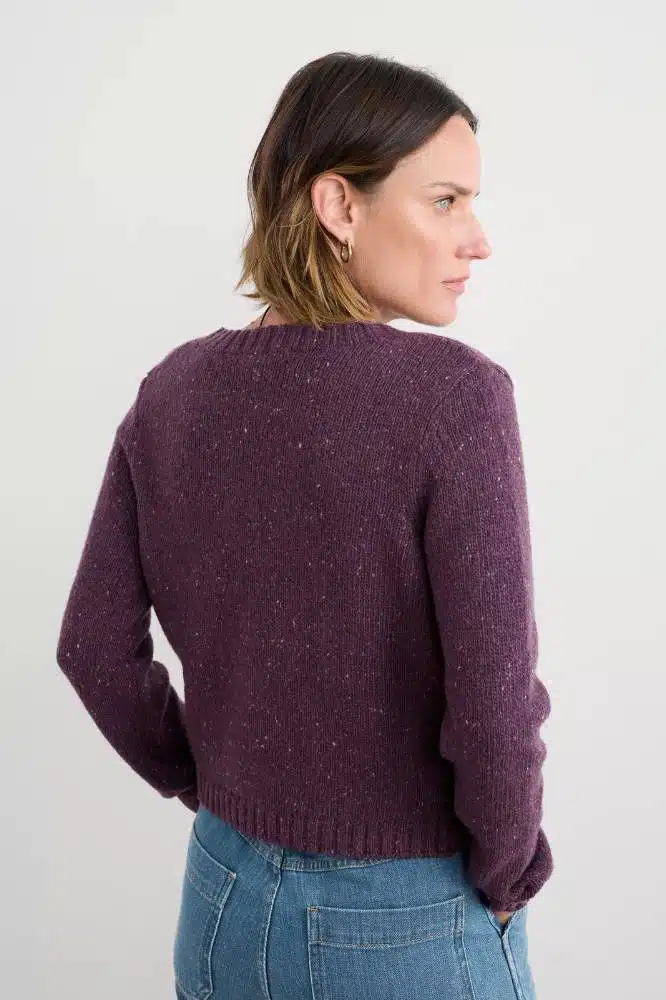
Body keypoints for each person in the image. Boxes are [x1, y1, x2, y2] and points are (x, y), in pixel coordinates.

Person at [56, 51, 553, 999]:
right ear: (339, 205)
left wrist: (211, 785)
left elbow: (92, 650)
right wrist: (507, 873)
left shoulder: (172, 392)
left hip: (221, 898)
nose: (478, 239)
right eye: (445, 201)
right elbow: (493, 702)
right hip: (406, 918)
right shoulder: (456, 399)